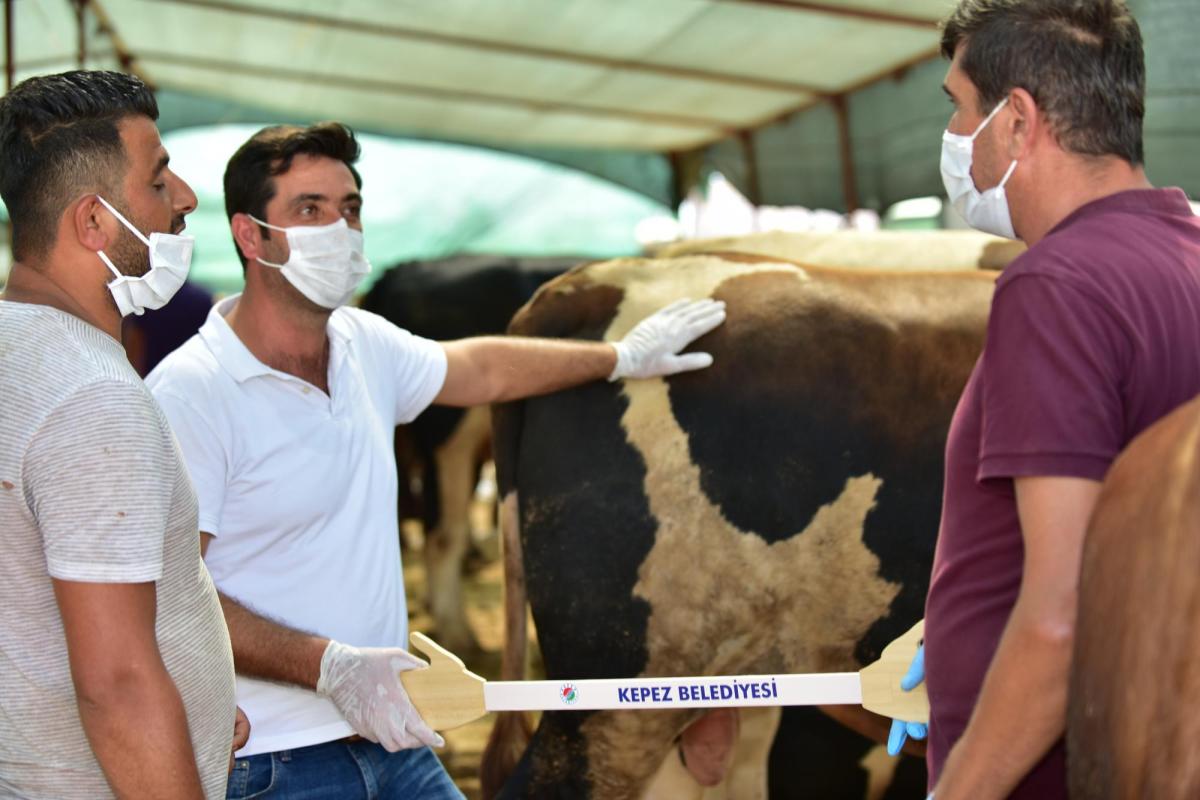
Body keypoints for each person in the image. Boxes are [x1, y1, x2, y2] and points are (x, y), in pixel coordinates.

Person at [145, 121, 726, 799]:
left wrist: (621, 357)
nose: (341, 229)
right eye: (310, 210)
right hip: (272, 762)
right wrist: (326, 667)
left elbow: (475, 368)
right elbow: (169, 594)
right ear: (251, 235)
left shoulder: (361, 343)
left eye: (350, 208)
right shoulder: (193, 392)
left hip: (395, 739)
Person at [885, 1, 1200, 798]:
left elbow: (1063, 616)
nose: (957, 138)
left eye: (961, 107)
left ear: (1018, 120)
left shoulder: (1053, 286)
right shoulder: (1185, 253)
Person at [0, 70, 243, 799]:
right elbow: (117, 685)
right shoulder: (93, 397)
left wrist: (200, 704)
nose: (187, 199)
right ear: (94, 224)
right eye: (159, 178)